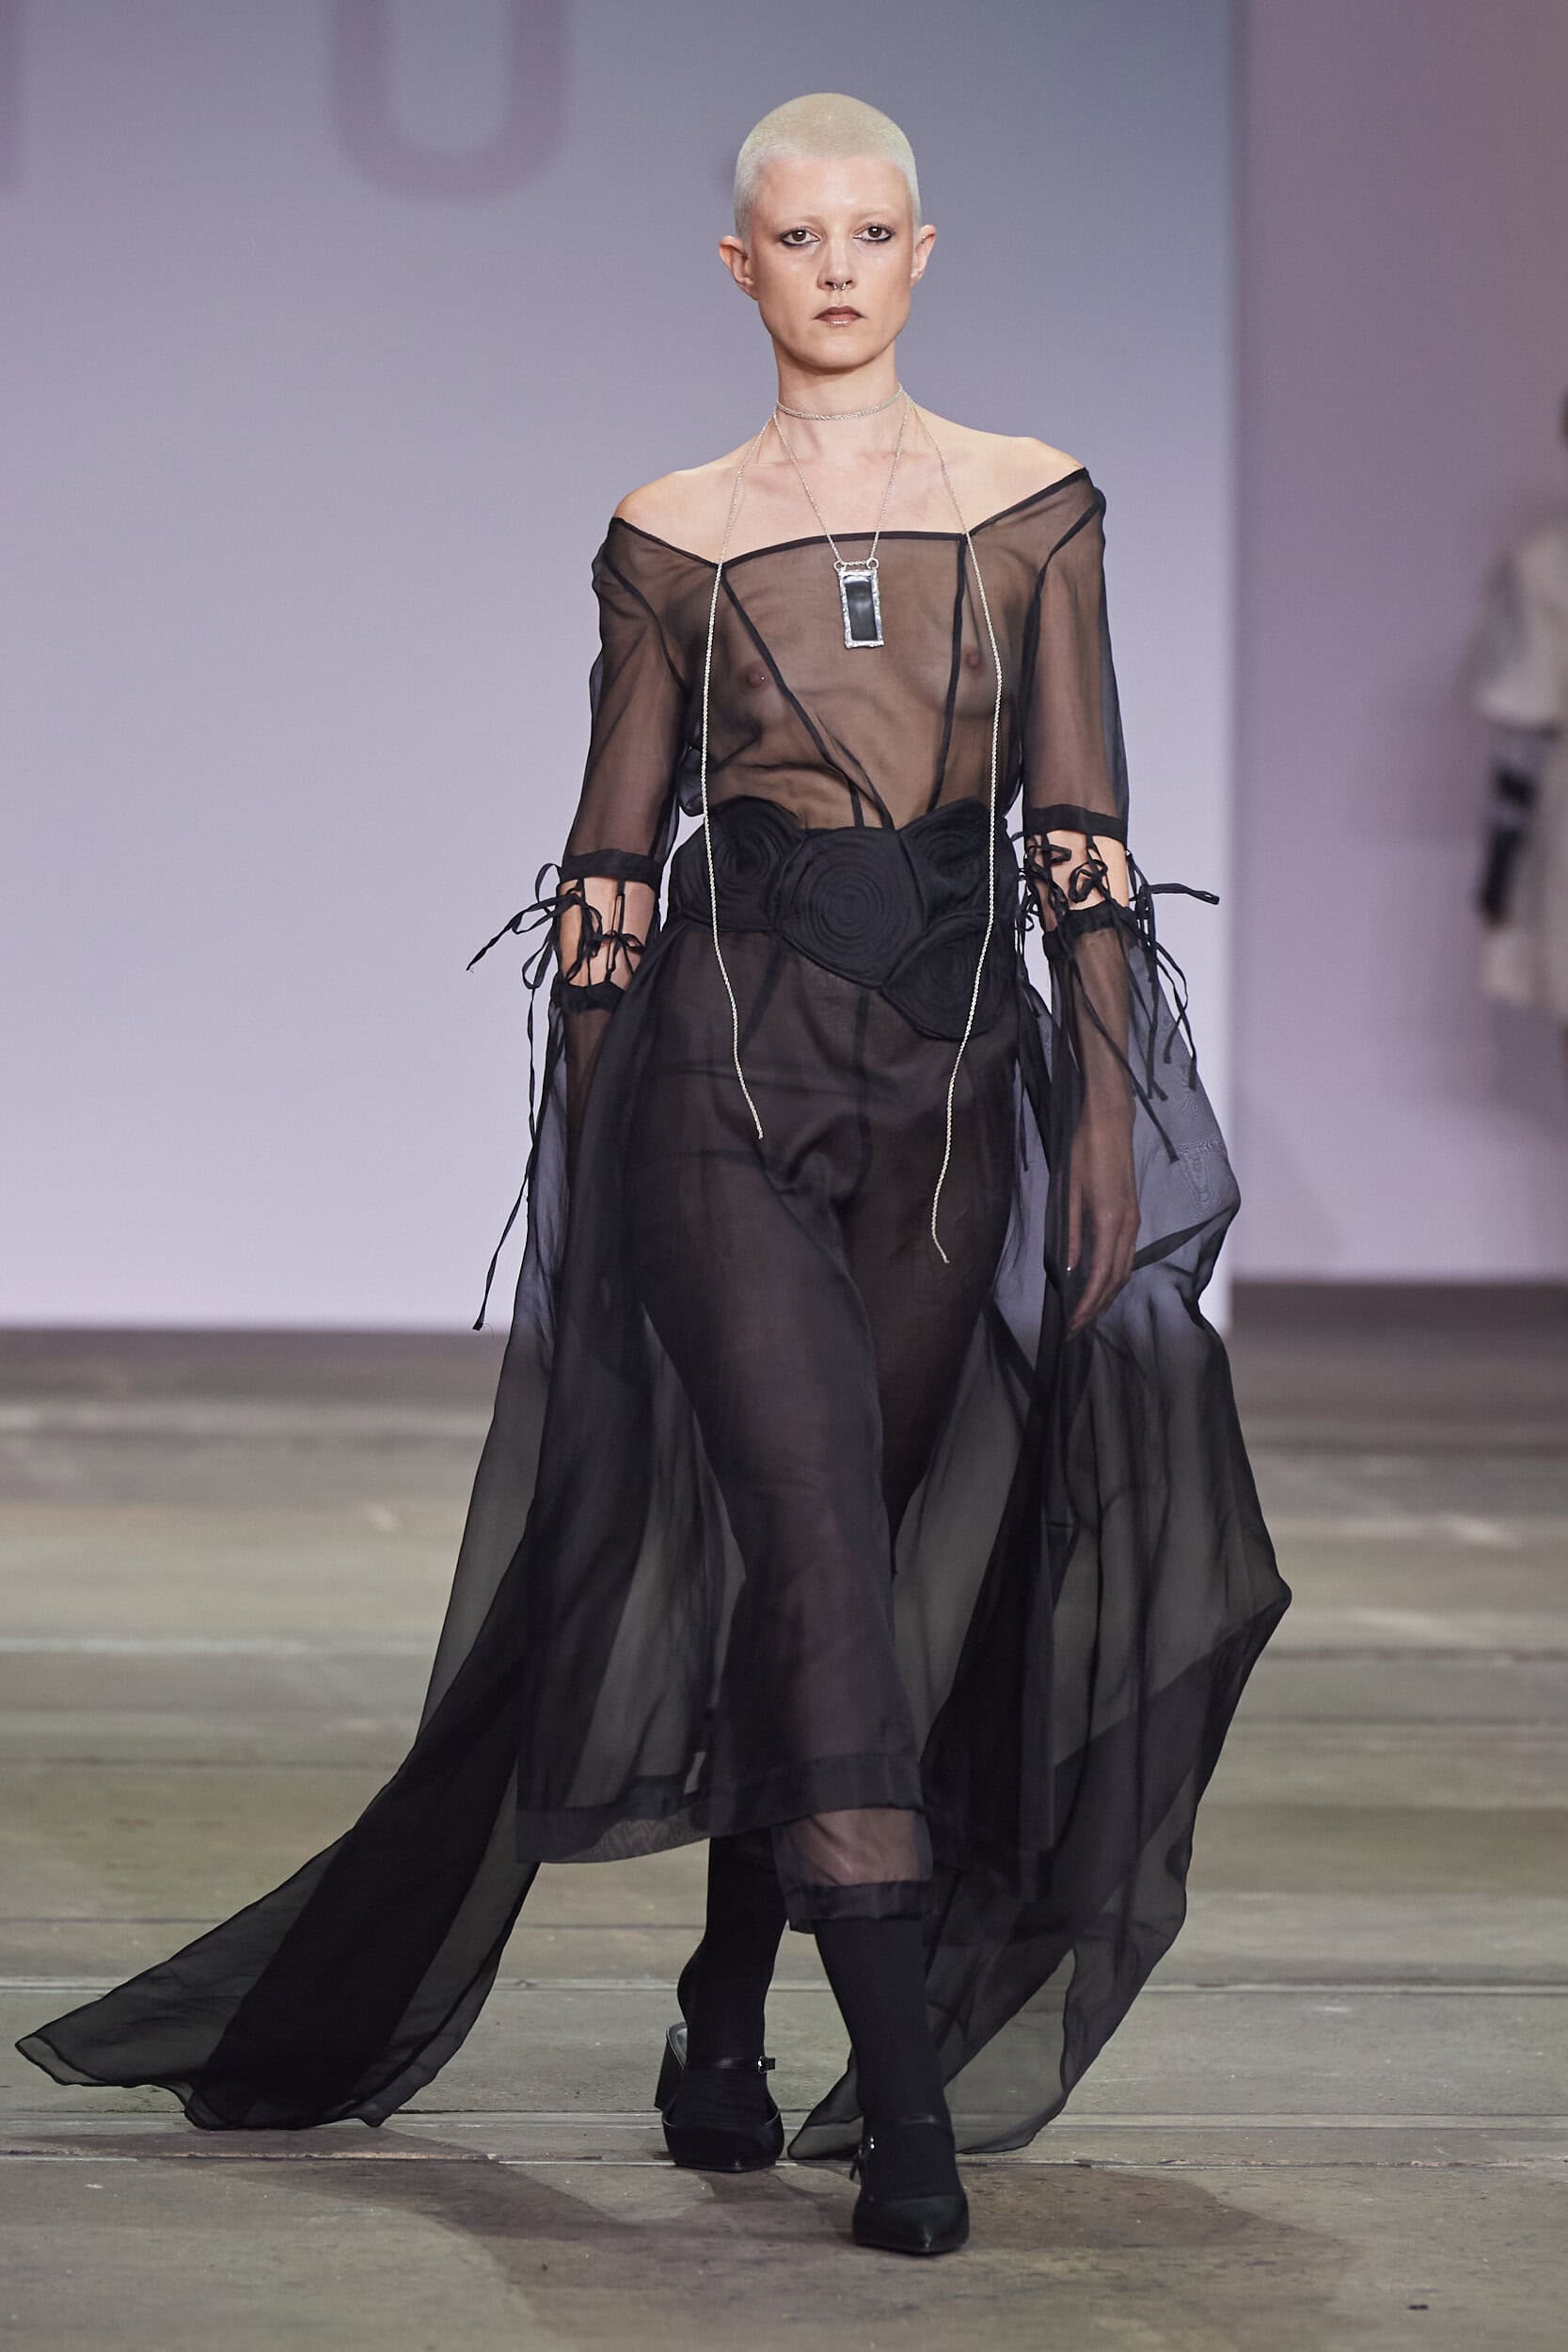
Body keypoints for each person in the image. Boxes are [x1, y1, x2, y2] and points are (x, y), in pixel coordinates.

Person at [17, 93, 1290, 2259]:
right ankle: (904, 2114)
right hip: (716, 1074)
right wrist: (597, 1150)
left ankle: (720, 1988)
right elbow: (613, 853)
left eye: (868, 234)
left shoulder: (1034, 510)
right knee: (810, 1536)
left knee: (840, 1552)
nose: (834, 270)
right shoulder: (673, 530)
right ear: (739, 265)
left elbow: (1077, 826)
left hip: (952, 1097)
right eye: (797, 238)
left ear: (918, 253)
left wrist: (1097, 1114)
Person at [1467, 390, 1568, 1087]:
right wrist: (1501, 862)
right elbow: (1523, 732)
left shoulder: (1545, 564)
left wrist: (1500, 864)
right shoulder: (1542, 565)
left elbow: (1522, 735)